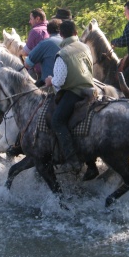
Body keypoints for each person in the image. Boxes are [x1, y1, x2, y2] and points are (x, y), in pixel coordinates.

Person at [45, 20, 95, 169]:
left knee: (57, 121)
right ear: (76, 33)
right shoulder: (85, 46)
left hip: (74, 93)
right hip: (91, 89)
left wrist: (50, 80)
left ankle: (72, 159)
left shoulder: (62, 54)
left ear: (61, 35)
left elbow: (59, 81)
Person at [26, 19, 63, 87]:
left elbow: (27, 63)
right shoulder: (70, 42)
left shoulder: (45, 43)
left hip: (50, 84)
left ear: (48, 31)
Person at [19, 8, 49, 80]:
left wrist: (19, 52)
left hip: (41, 72)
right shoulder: (51, 27)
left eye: (31, 19)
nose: (29, 21)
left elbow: (26, 52)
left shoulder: (35, 31)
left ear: (37, 19)